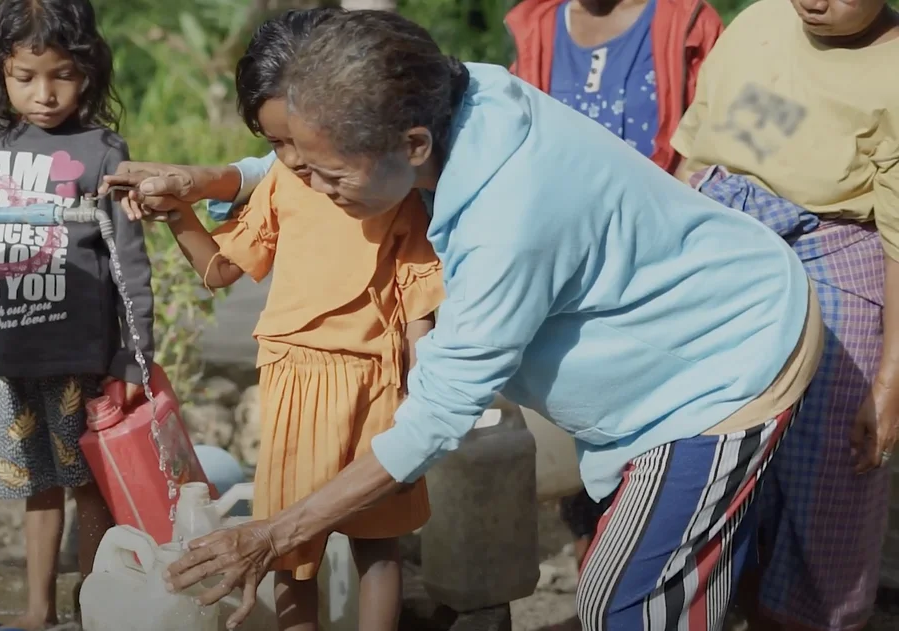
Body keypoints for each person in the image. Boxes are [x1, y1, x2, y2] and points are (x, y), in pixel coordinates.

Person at [102, 10, 827, 631]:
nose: (309, 186)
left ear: (412, 146)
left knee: (628, 598)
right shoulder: (451, 90)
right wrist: (208, 180)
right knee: (662, 577)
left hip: (724, 366)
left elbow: (432, 420)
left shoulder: (506, 223)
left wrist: (273, 534)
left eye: (327, 176)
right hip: (664, 355)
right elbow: (305, 158)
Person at [119, 9, 442, 630]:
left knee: (377, 543)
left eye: (297, 138)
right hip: (292, 380)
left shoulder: (388, 187)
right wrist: (180, 212)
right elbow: (220, 271)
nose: (293, 159)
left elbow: (417, 297)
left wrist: (416, 394)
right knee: (289, 551)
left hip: (374, 384)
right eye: (277, 145)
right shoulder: (282, 187)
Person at [670, 0, 899, 629]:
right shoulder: (760, 22)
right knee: (723, 468)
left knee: (827, 480)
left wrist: (887, 383)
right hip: (722, 250)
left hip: (832, 267)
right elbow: (695, 156)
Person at [0, 0, 154, 628]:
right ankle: (37, 613)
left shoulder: (104, 151)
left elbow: (130, 263)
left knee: (90, 484)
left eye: (61, 74)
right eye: (24, 77)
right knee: (37, 486)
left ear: (87, 72)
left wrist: (134, 354)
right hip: (5, 355)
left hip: (80, 358)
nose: (44, 94)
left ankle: (94, 608)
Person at [505, 0, 723, 571]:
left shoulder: (685, 22)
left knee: (653, 424)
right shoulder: (538, 25)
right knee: (579, 419)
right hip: (562, 262)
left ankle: (644, 580)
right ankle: (595, 591)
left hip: (656, 257)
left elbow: (712, 136)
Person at [506, 0, 722, 172]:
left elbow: (721, 124)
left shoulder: (688, 22)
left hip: (663, 211)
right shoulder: (536, 30)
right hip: (565, 214)